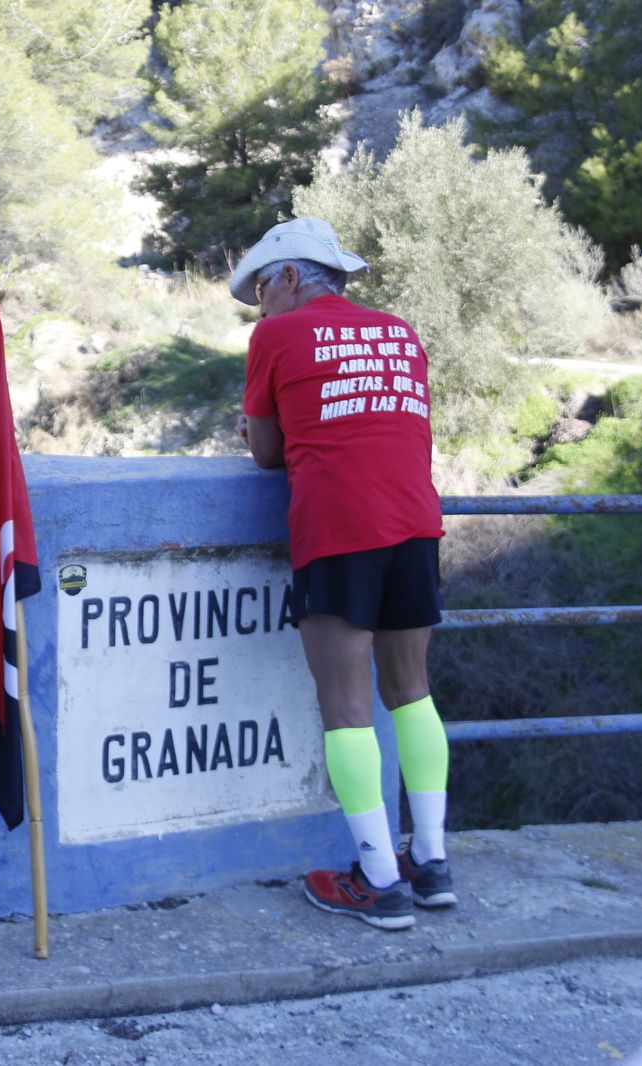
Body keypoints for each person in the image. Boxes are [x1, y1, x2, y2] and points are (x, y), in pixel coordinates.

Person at [230, 216, 454, 931]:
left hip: (338, 527)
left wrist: (257, 429)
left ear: (292, 276)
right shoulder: (400, 330)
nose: (260, 304)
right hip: (415, 520)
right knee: (412, 694)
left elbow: (268, 452)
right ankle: (433, 863)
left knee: (346, 707)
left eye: (262, 287)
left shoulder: (276, 335)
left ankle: (380, 881)